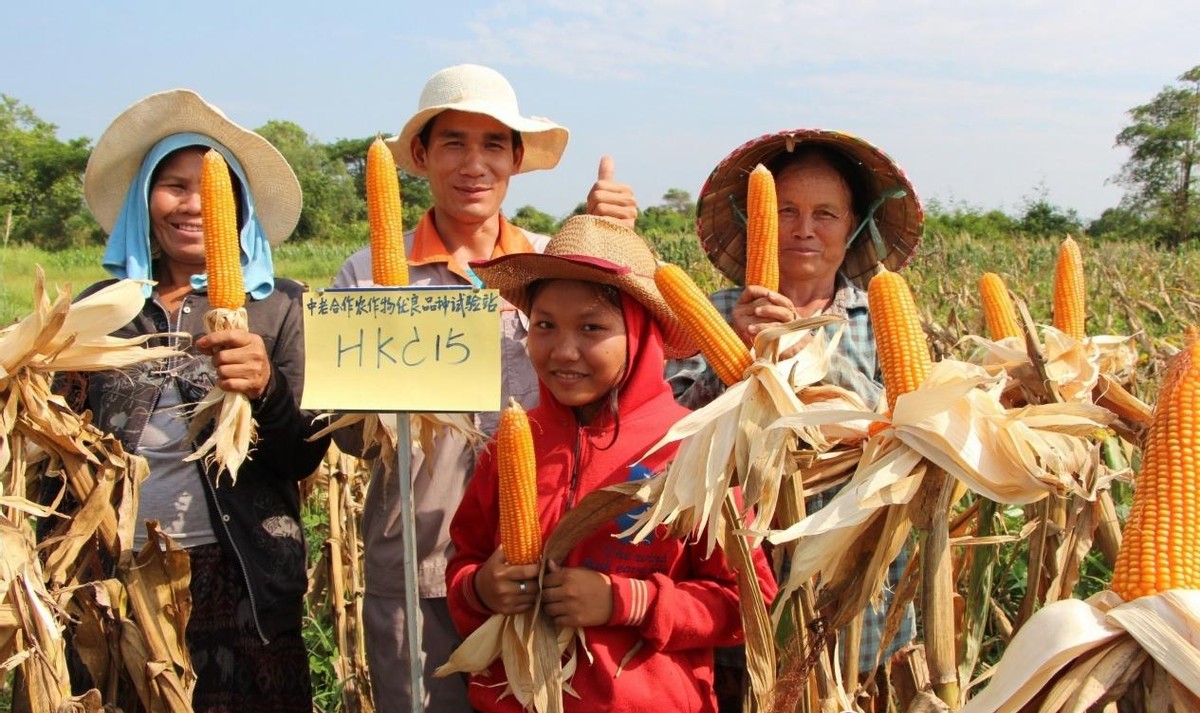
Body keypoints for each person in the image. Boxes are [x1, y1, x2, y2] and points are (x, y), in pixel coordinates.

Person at [331, 64, 640, 711]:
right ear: (421, 154)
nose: (474, 163)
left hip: (536, 571)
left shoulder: (546, 266)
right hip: (416, 563)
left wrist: (617, 241)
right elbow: (349, 438)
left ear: (516, 159)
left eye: (493, 144)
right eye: (454, 143)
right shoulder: (364, 276)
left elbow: (613, 384)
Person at [52, 89, 330, 712]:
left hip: (240, 575)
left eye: (214, 190)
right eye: (173, 184)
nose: (193, 204)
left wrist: (267, 389)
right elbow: (58, 448)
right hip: (115, 575)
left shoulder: (281, 305)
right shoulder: (101, 308)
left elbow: (301, 455)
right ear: (145, 199)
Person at [447, 214, 777, 712]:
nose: (564, 350)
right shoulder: (512, 443)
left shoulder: (693, 447)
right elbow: (465, 559)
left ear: (641, 334)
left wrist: (629, 601)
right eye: (544, 326)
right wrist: (479, 588)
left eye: (591, 327)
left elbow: (745, 603)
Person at [668, 129, 924, 705]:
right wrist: (736, 354)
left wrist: (807, 362)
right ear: (755, 219)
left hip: (856, 588)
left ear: (855, 224)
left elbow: (918, 431)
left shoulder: (883, 316)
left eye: (825, 213)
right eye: (785, 211)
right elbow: (668, 431)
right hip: (740, 582)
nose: (804, 229)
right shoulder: (710, 312)